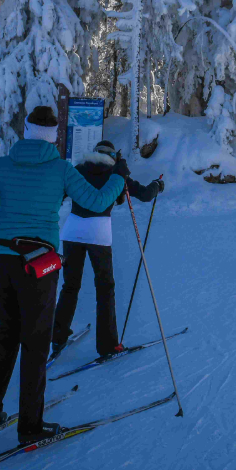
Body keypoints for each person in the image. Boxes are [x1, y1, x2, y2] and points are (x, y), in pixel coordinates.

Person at [0, 106, 127, 444]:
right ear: (54, 135)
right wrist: (119, 175)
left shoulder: (4, 165)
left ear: (26, 130)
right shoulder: (61, 169)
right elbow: (95, 202)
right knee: (34, 343)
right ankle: (30, 427)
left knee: (7, 334)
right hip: (37, 266)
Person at [52, 140, 163, 360]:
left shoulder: (79, 169)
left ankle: (58, 335)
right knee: (105, 288)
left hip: (72, 230)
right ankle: (108, 345)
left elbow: (58, 193)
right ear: (113, 155)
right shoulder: (116, 173)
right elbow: (144, 194)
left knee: (70, 285)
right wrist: (157, 186)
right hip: (98, 233)